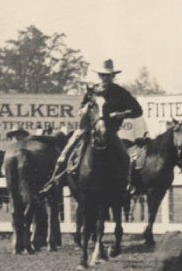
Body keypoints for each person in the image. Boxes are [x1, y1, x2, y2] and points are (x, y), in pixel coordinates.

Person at [39, 59, 142, 195]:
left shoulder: (120, 92)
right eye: (102, 75)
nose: (105, 78)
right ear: (99, 76)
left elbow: (138, 110)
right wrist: (85, 108)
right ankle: (53, 183)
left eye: (108, 75)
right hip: (87, 129)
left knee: (125, 157)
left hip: (110, 132)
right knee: (64, 155)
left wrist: (120, 114)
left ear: (113, 76)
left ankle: (128, 185)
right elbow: (80, 110)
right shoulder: (91, 91)